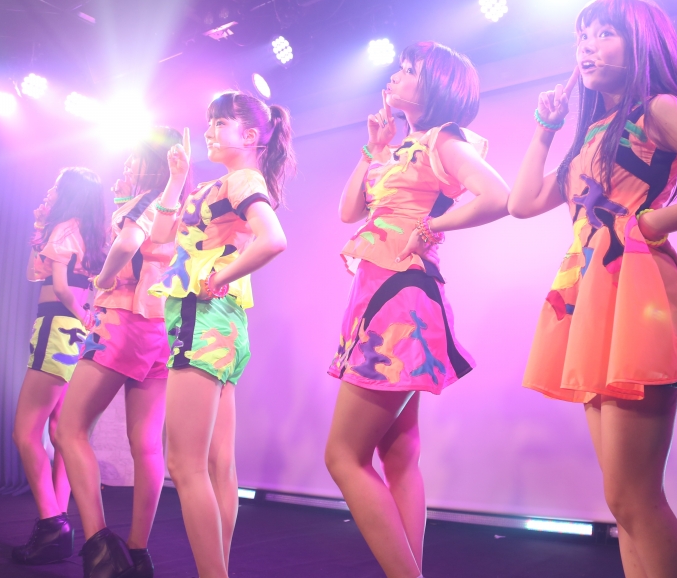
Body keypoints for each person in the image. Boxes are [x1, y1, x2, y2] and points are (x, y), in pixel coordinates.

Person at [509, 0, 677, 578]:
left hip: (635, 295)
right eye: (583, 35)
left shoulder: (660, 110)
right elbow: (521, 202)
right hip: (591, 295)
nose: (588, 45)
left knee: (635, 497)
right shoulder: (591, 132)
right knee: (621, 501)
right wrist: (546, 128)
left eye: (605, 33)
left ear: (641, 45)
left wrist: (651, 222)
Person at [324, 42, 509, 578]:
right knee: (398, 455)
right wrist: (373, 148)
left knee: (343, 456)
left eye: (409, 70)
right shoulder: (401, 147)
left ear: (437, 88)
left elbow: (497, 195)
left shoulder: (442, 140)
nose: (395, 75)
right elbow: (348, 211)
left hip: (398, 301)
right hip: (381, 295)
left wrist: (431, 228)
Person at [149, 91, 294, 578]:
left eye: (220, 122)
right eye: (209, 121)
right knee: (217, 465)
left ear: (250, 135)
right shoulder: (222, 183)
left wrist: (220, 277)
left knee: (185, 464)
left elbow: (273, 239)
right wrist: (176, 178)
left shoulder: (242, 179)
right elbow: (160, 239)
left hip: (203, 320)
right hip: (221, 325)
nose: (209, 130)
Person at [55, 128, 184, 578]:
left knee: (69, 429)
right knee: (146, 444)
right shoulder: (177, 203)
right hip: (161, 329)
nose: (126, 164)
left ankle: (99, 547)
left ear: (150, 162)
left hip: (122, 319)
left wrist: (101, 281)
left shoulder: (146, 201)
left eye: (133, 157)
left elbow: (127, 245)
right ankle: (137, 552)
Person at [12, 167, 107, 565]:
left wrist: (79, 313)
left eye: (56, 186)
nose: (49, 190)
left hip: (57, 325)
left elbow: (62, 287)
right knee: (61, 429)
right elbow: (38, 272)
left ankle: (52, 522)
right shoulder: (91, 232)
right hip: (76, 334)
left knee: (25, 431)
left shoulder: (66, 228)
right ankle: (58, 519)